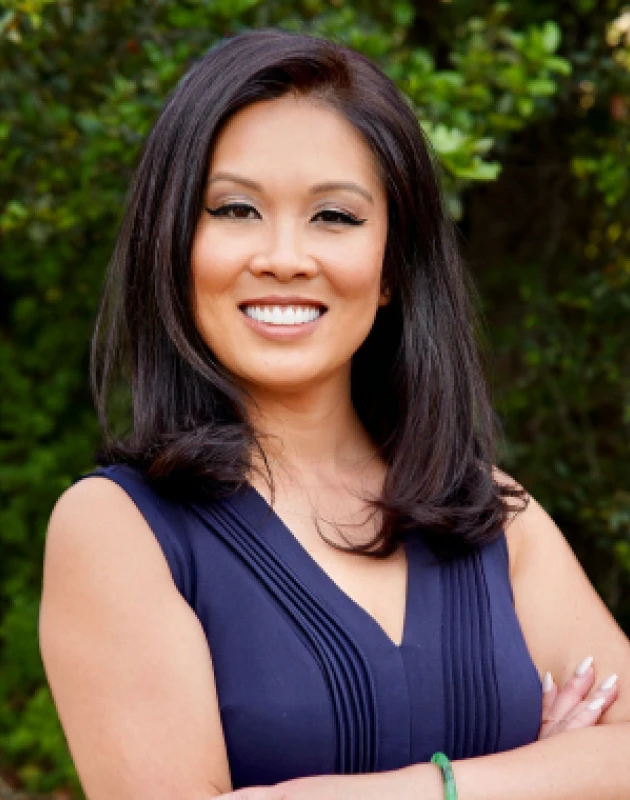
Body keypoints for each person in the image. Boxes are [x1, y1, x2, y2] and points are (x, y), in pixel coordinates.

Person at [39, 28, 630, 800]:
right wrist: (547, 774)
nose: (285, 256)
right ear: (174, 245)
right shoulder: (117, 530)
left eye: (336, 217)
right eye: (236, 209)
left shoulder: (489, 516)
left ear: (391, 267)